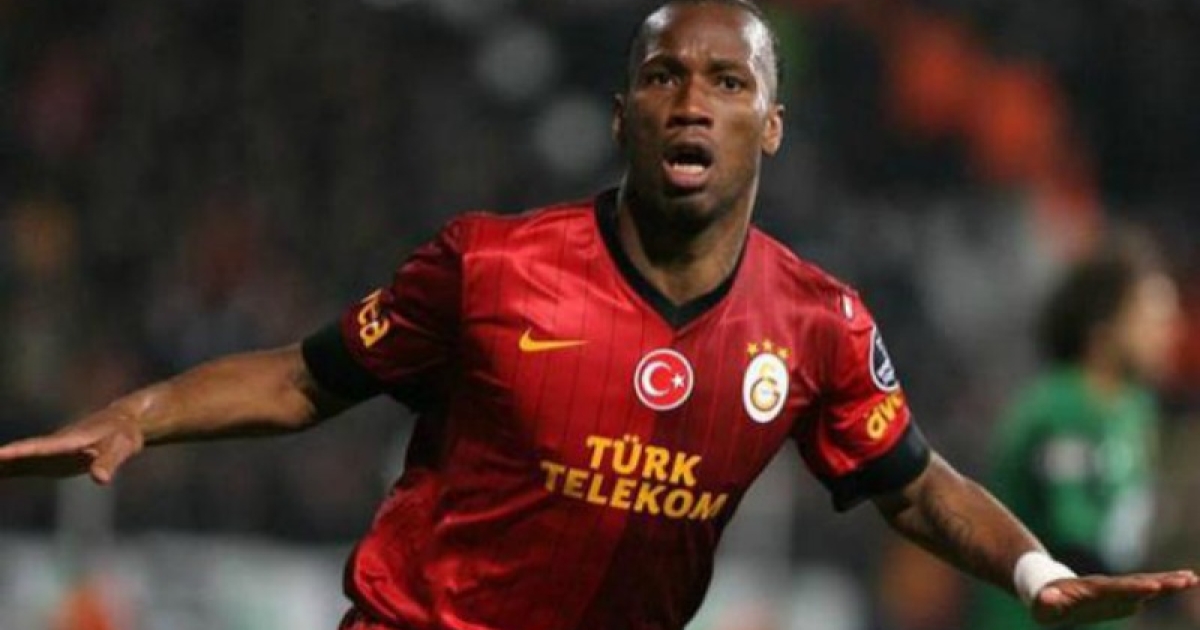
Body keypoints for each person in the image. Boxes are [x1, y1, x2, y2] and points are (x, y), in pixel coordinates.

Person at [1, 2, 1195, 629]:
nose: (693, 101)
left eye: (728, 82)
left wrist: (1037, 575)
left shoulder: (817, 325)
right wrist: (140, 415)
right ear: (625, 114)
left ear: (771, 126)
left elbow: (916, 488)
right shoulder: (490, 267)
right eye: (665, 76)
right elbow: (306, 379)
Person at [972, 240, 1184, 630]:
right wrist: (1173, 600)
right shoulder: (1061, 407)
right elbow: (1074, 547)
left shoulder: (1134, 407)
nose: (1166, 333)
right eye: (1150, 318)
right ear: (1103, 329)